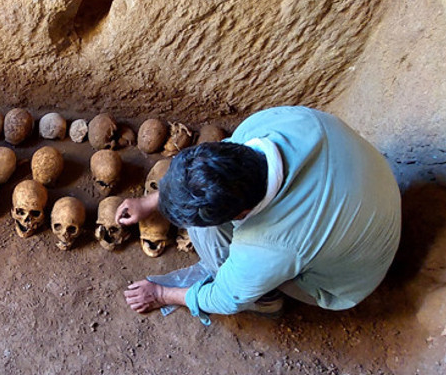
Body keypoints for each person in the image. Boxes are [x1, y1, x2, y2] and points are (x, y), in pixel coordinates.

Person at [117, 106, 401, 324]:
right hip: (370, 191)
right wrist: (151, 202)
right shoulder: (265, 125)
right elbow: (207, 178)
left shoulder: (273, 246)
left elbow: (225, 299)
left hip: (349, 278)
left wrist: (162, 294)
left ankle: (266, 300)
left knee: (204, 233)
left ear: (241, 213)